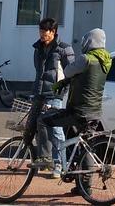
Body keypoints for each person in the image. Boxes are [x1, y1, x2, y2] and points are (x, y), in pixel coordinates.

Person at [34, 28, 111, 192]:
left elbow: (68, 71)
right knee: (86, 145)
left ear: (90, 42)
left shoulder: (85, 59)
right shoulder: (106, 61)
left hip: (78, 110)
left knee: (43, 120)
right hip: (95, 111)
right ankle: (84, 187)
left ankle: (47, 159)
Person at [31, 17, 75, 179]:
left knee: (56, 130)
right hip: (39, 93)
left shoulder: (63, 49)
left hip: (55, 95)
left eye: (45, 31)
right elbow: (38, 71)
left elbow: (71, 72)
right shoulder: (38, 48)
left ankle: (60, 164)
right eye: (40, 31)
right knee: (38, 126)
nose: (42, 34)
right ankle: (45, 160)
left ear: (54, 32)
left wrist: (61, 90)